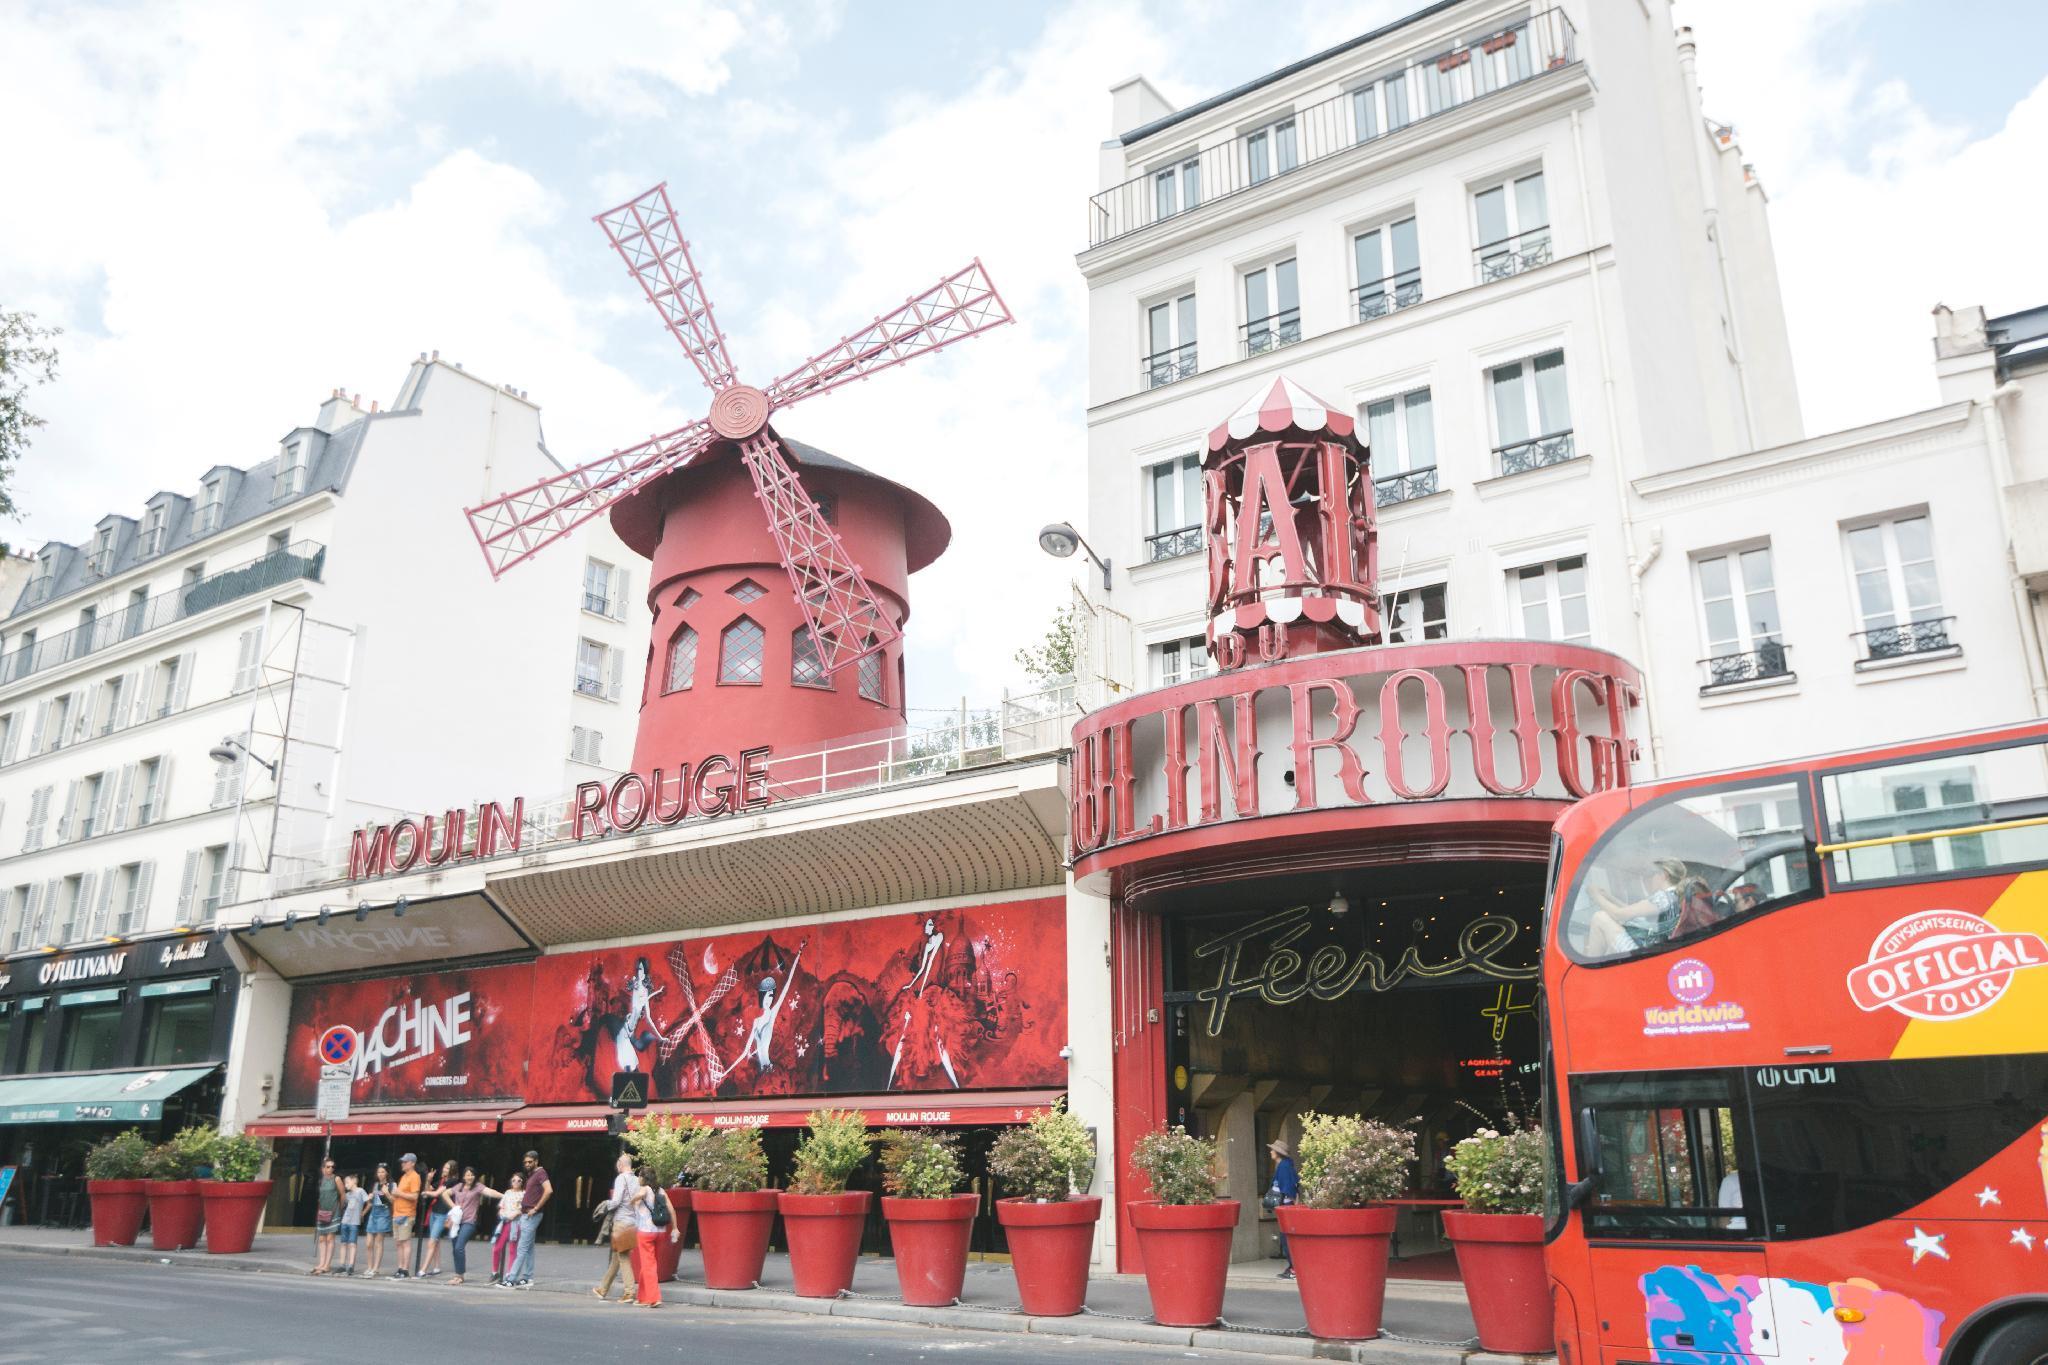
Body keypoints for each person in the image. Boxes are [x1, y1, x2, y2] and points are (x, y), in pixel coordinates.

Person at [1584, 857, 1690, 955]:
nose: (1649, 879)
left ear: (1664, 875)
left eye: (1651, 874)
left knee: (1600, 917)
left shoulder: (1662, 897)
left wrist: (1595, 895)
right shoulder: (1674, 896)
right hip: (1653, 949)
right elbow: (1630, 912)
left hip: (1642, 953)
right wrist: (1608, 896)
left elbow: (1619, 915)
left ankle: (1588, 970)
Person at [613, 1152, 678, 1308]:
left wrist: (633, 1199)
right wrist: (675, 1228)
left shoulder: (645, 1189)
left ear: (643, 1178)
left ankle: (654, 1297)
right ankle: (643, 1297)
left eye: (640, 1176)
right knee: (648, 1263)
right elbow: (672, 1210)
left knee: (649, 1265)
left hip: (645, 1233)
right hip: (660, 1232)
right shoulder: (661, 1191)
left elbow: (636, 1198)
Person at [439, 1166, 507, 1286]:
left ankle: (459, 1276)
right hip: (456, 1221)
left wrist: (504, 1196)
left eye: (471, 1174)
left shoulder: (477, 1187)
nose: (469, 1177)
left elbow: (490, 1192)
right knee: (455, 1248)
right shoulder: (459, 1186)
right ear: (464, 1176)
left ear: (474, 1176)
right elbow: (445, 1194)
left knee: (459, 1246)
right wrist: (454, 1206)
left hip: (469, 1222)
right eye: (467, 1174)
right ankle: (458, 1275)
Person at [505, 1150, 552, 1290]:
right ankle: (527, 1277)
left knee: (522, 1248)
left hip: (531, 1215)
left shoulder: (541, 1173)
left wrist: (536, 1208)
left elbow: (549, 1190)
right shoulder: (532, 1175)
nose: (527, 1164)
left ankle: (511, 1279)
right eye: (525, 1162)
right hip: (527, 1214)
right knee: (529, 1248)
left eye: (530, 1162)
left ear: (536, 1161)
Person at [613, 957, 666, 1073]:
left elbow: (649, 1018)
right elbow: (628, 992)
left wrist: (660, 1037)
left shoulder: (644, 992)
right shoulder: (636, 987)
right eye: (638, 969)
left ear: (645, 971)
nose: (639, 972)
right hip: (626, 1030)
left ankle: (633, 1080)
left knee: (630, 1061)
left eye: (642, 969)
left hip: (628, 1031)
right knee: (629, 1061)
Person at [591, 1180, 637, 1305]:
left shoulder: (621, 1178)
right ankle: (603, 1289)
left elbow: (616, 1201)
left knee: (623, 1257)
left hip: (621, 1222)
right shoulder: (637, 1181)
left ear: (620, 1164)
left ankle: (629, 1292)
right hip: (632, 1222)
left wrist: (606, 1205)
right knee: (616, 1259)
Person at [1266, 1139, 1299, 1279]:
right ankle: (1293, 1267)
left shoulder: (1284, 1166)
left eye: (1273, 1150)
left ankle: (1294, 1269)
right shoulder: (1284, 1165)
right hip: (1287, 1206)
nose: (1271, 1151)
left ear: (1279, 1152)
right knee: (1286, 1238)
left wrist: (1288, 1207)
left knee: (1286, 1238)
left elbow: (1289, 1189)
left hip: (1286, 1207)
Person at [419, 1159, 458, 1277]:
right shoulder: (442, 1180)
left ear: (452, 1170)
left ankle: (423, 1269)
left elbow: (436, 1193)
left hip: (443, 1213)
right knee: (435, 1241)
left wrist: (425, 1193)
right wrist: (428, 1180)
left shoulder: (452, 1181)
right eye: (444, 1167)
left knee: (432, 1241)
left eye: (447, 1168)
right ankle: (436, 1267)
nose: (444, 1170)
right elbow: (429, 1189)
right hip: (434, 1212)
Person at [488, 1173, 526, 1286]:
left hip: (516, 1223)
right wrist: (501, 1212)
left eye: (519, 1180)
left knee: (512, 1249)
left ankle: (510, 1274)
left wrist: (514, 1214)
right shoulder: (508, 1193)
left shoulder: (524, 1194)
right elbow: (502, 1206)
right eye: (514, 1180)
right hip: (504, 1222)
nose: (516, 1182)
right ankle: (495, 1272)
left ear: (522, 1182)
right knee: (497, 1247)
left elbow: (523, 1209)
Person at [390, 1153, 422, 1279]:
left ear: (412, 1163)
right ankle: (400, 1267)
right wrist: (391, 1193)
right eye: (402, 1162)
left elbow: (415, 1196)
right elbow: (398, 1195)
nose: (402, 1164)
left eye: (405, 1162)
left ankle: (405, 1269)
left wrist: (399, 1193)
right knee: (399, 1242)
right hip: (397, 1213)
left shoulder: (415, 1177)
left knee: (405, 1242)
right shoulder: (404, 1177)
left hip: (407, 1214)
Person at [310, 1157, 341, 1275]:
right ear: (323, 1168)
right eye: (328, 1166)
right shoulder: (321, 1180)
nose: (331, 1169)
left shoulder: (336, 1179)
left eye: (333, 1167)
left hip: (333, 1211)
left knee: (330, 1238)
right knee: (322, 1238)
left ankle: (327, 1265)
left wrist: (339, 1209)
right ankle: (321, 1263)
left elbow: (342, 1195)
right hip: (322, 1211)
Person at [363, 1163, 394, 1277]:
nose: (380, 1174)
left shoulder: (392, 1185)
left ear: (387, 1173)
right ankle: (369, 1266)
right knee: (368, 1243)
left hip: (384, 1213)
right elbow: (371, 1201)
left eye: (382, 1172)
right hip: (374, 1213)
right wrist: (369, 1198)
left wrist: (387, 1193)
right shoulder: (376, 1185)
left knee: (378, 1242)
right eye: (378, 1172)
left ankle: (375, 1268)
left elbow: (394, 1201)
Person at [337, 1174, 368, 1277]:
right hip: (345, 1221)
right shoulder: (348, 1195)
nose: (346, 1185)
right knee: (343, 1243)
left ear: (354, 1181)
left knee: (352, 1244)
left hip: (354, 1222)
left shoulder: (360, 1191)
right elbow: (344, 1204)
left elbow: (369, 1202)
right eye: (345, 1183)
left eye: (347, 1182)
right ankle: (342, 1265)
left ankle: (350, 1265)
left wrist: (363, 1213)